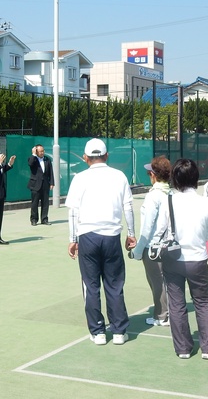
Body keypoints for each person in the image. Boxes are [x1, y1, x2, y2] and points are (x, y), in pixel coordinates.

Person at [66, 138, 136, 346]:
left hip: (87, 237)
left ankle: (98, 331)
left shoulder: (79, 178)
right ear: (106, 156)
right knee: (114, 284)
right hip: (112, 237)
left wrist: (72, 239)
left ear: (86, 158)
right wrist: (131, 234)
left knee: (91, 285)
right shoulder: (119, 176)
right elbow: (128, 208)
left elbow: (73, 212)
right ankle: (119, 331)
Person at [162, 158, 208, 360]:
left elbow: (162, 230)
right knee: (203, 302)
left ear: (175, 178)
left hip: (172, 258)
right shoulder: (207, 203)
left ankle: (183, 349)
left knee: (176, 304)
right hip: (197, 258)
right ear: (196, 178)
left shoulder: (169, 201)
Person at [131, 156, 171, 327]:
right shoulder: (172, 192)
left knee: (157, 282)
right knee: (168, 282)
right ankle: (169, 313)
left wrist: (138, 251)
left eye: (150, 172)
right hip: (170, 244)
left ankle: (162, 316)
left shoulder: (153, 196)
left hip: (154, 247)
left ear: (154, 175)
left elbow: (147, 228)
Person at [27, 144, 54, 226]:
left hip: (45, 184)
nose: (42, 153)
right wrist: (33, 154)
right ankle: (34, 219)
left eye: (43, 151)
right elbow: (30, 163)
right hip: (35, 185)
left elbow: (51, 172)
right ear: (36, 151)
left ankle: (44, 219)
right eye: (40, 151)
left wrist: (52, 182)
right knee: (34, 203)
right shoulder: (33, 159)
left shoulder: (47, 159)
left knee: (45, 202)